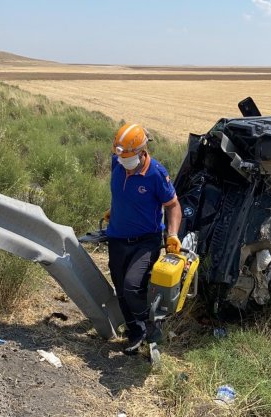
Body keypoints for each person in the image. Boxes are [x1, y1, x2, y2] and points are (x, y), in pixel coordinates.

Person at [105, 123, 182, 355]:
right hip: (117, 237)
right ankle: (135, 332)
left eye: (128, 157)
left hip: (145, 241)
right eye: (121, 157)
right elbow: (121, 193)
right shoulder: (117, 162)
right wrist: (116, 210)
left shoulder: (156, 174)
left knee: (132, 286)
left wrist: (172, 235)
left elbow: (173, 205)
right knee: (120, 288)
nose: (124, 163)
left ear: (141, 151)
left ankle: (151, 325)